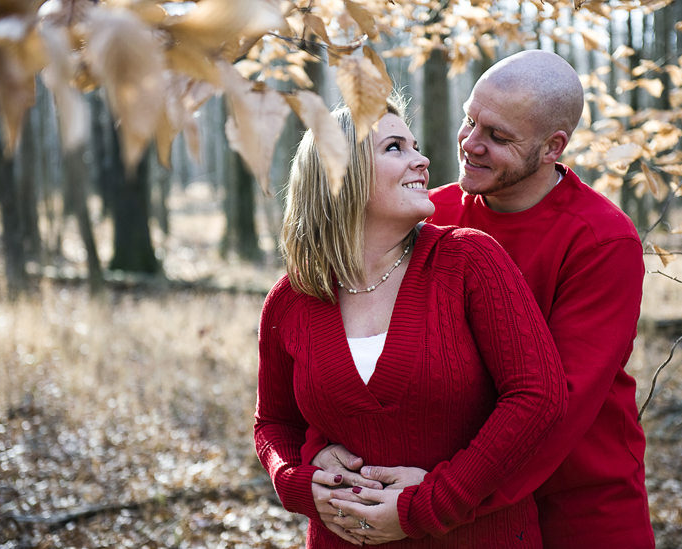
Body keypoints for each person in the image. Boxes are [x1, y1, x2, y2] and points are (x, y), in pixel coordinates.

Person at [315, 51, 655, 548]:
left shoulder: (601, 242)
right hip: (461, 504)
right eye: (470, 120)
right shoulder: (429, 215)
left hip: (579, 505)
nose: (470, 144)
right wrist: (321, 448)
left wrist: (435, 499)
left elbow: (556, 406)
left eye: (497, 136)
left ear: (551, 148)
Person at [254, 96, 567, 547]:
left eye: (415, 146)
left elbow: (538, 396)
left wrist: (431, 503)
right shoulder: (291, 300)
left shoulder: (468, 260)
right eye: (395, 148)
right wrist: (296, 484)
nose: (423, 160)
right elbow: (273, 424)